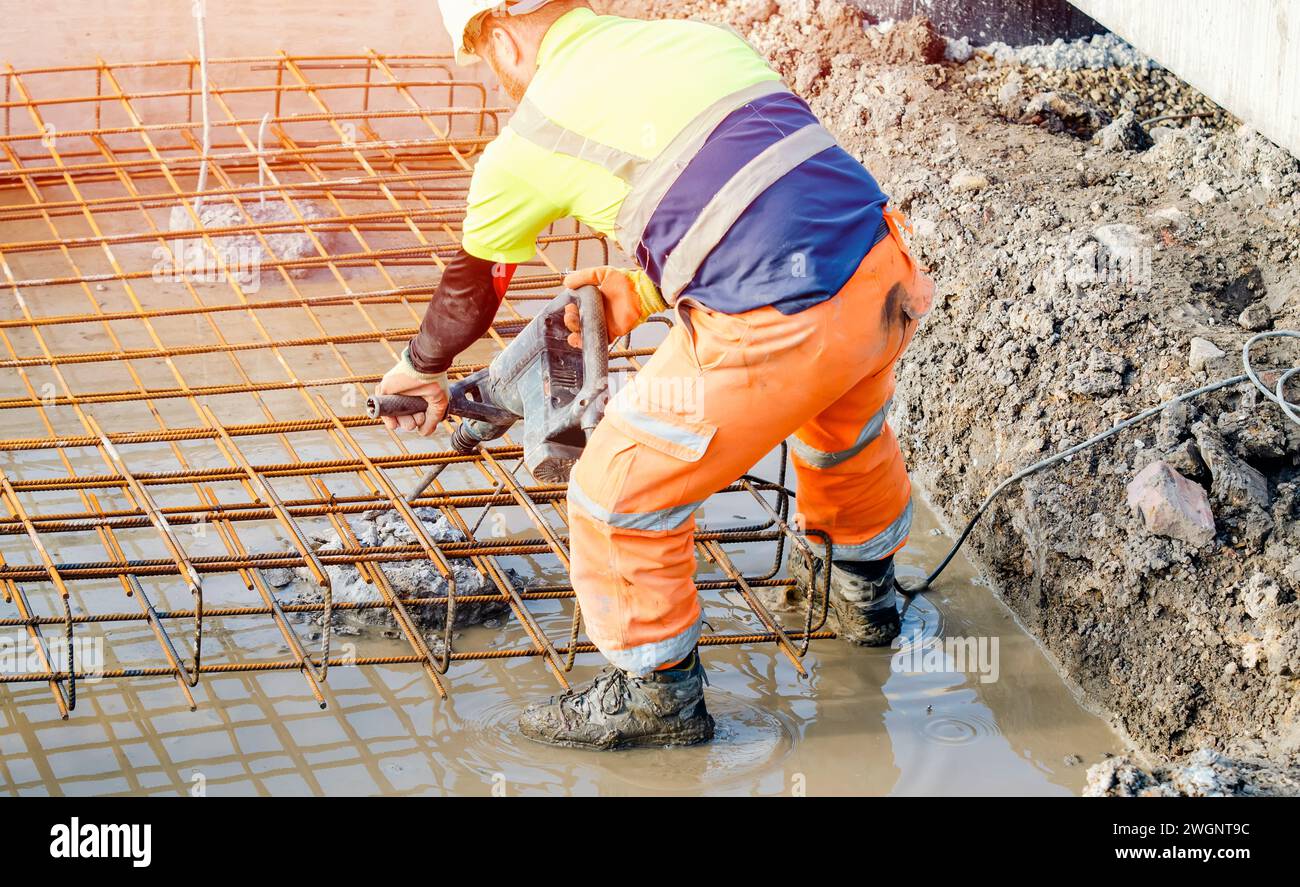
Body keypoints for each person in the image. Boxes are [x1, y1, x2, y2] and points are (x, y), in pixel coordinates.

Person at [375, 0, 933, 750]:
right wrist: (640, 289)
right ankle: (864, 603)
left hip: (778, 316)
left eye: (485, 62)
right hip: (881, 275)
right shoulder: (695, 43)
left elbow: (471, 293)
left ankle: (657, 698)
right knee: (841, 428)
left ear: (501, 39)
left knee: (614, 496)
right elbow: (761, 185)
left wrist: (417, 369)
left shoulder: (527, 140)